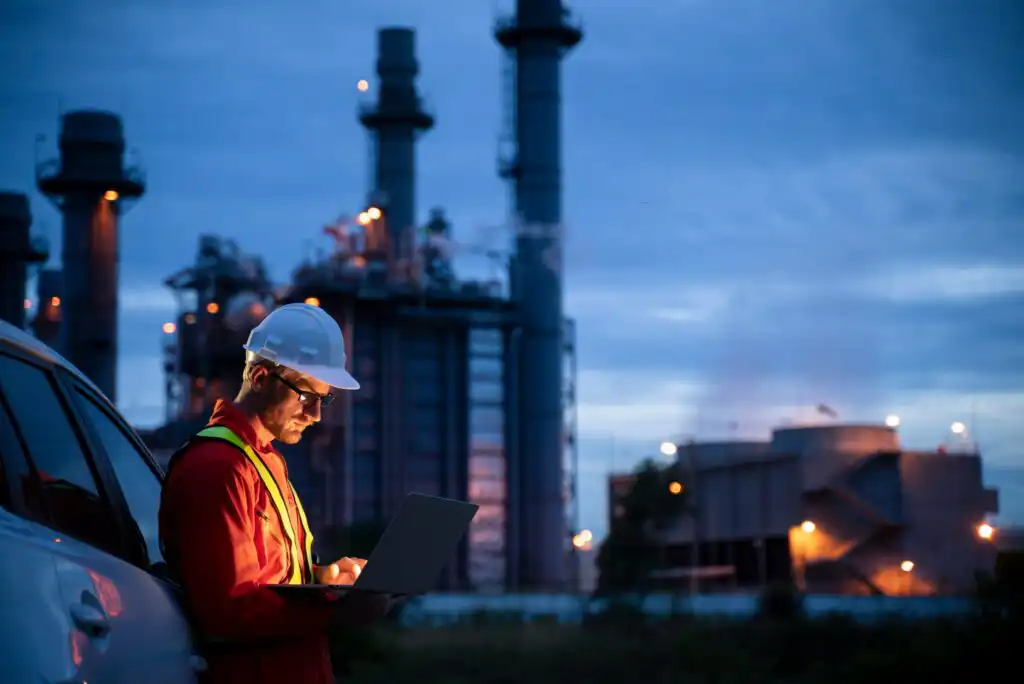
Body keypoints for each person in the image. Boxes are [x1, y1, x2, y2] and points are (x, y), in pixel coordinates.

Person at [159, 303, 390, 684]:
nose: (316, 414)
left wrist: (329, 580)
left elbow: (273, 580)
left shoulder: (267, 462)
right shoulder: (218, 469)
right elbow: (227, 611)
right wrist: (337, 613)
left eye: (325, 398)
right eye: (305, 396)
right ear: (261, 377)